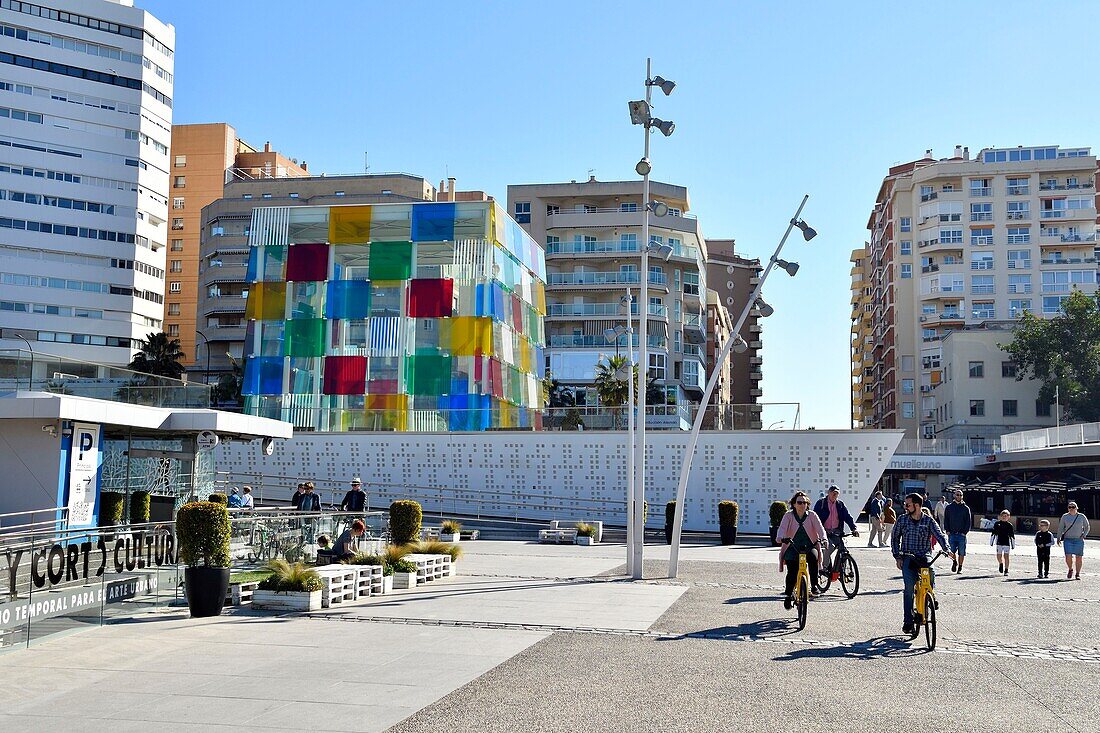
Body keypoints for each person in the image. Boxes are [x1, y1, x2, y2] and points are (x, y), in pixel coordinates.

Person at [891, 492, 954, 636]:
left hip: (924, 556)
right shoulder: (902, 520)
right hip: (908, 557)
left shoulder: (928, 521)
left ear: (917, 505)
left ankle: (931, 594)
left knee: (930, 571)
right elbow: (894, 538)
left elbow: (940, 535)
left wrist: (947, 549)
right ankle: (908, 621)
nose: (905, 507)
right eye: (905, 504)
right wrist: (897, 556)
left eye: (908, 504)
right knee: (908, 589)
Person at [776, 490, 827, 610]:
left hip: (809, 546)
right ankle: (788, 595)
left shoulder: (812, 515)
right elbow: (782, 528)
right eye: (799, 502)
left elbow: (820, 529)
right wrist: (780, 538)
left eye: (805, 502)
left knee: (814, 558)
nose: (803, 505)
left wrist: (823, 539)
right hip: (792, 547)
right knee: (792, 572)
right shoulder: (788, 516)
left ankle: (814, 585)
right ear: (794, 504)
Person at [813, 485, 859, 578]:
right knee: (828, 547)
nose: (835, 495)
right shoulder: (821, 503)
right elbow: (815, 518)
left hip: (837, 531)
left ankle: (843, 571)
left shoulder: (840, 504)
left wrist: (853, 528)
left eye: (837, 493)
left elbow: (847, 517)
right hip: (825, 531)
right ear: (828, 493)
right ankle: (823, 568)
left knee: (844, 549)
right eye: (833, 493)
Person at [1057, 501, 1090, 580]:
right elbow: (1061, 527)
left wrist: (1084, 535)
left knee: (1079, 557)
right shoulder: (1065, 516)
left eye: (1073, 507)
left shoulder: (1081, 516)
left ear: (1076, 508)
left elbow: (1087, 526)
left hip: (1078, 539)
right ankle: (1070, 569)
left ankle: (1078, 573)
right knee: (1068, 556)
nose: (1071, 508)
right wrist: (1058, 538)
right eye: (1069, 507)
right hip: (1068, 539)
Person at [943, 489, 972, 574]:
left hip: (961, 534)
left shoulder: (966, 508)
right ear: (954, 496)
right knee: (951, 551)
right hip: (952, 533)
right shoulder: (949, 507)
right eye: (957, 494)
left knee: (962, 552)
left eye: (960, 495)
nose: (959, 496)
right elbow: (946, 519)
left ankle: (960, 567)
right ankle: (954, 562)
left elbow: (968, 521)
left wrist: (965, 532)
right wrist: (947, 530)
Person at [990, 510, 1015, 576]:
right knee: (999, 556)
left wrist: (1013, 545)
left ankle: (1006, 570)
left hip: (1006, 543)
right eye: (1003, 516)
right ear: (1000, 516)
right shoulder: (997, 524)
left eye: (1006, 516)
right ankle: (1001, 563)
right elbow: (993, 533)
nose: (1004, 517)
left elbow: (1012, 536)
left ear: (1008, 517)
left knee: (1006, 556)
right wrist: (991, 542)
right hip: (999, 542)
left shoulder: (1010, 525)